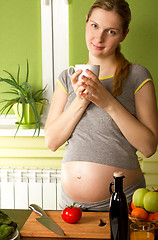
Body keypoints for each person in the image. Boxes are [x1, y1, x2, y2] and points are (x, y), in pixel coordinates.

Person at [44, 0, 158, 211]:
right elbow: (51, 141)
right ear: (86, 22)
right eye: (94, 26)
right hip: (69, 206)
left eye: (111, 31)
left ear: (123, 35)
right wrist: (81, 100)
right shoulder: (67, 78)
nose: (99, 38)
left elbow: (149, 147)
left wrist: (107, 101)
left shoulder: (137, 76)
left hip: (122, 202)